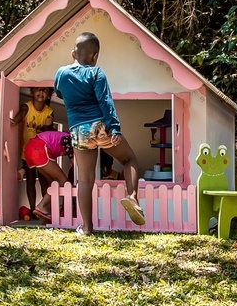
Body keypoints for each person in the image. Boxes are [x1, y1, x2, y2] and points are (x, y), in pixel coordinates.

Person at [54, 32, 145, 234]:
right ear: (95, 56)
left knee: (85, 180)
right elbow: (106, 102)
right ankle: (132, 196)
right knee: (129, 158)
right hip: (99, 125)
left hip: (79, 130)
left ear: (73, 54)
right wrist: (115, 128)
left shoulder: (61, 73)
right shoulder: (96, 73)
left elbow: (59, 92)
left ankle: (86, 228)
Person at [10, 87, 54, 218]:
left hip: (42, 153)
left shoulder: (49, 112)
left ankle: (44, 209)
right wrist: (13, 121)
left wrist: (47, 126)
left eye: (45, 91)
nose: (41, 93)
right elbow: (21, 114)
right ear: (32, 92)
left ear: (49, 95)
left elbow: (49, 133)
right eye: (38, 90)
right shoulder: (27, 107)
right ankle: (33, 209)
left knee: (43, 180)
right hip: (27, 152)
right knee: (30, 179)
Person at [24, 128, 75, 222]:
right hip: (40, 148)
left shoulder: (58, 136)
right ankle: (41, 206)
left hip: (30, 148)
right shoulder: (70, 138)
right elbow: (74, 164)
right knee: (63, 181)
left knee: (53, 184)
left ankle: (47, 213)